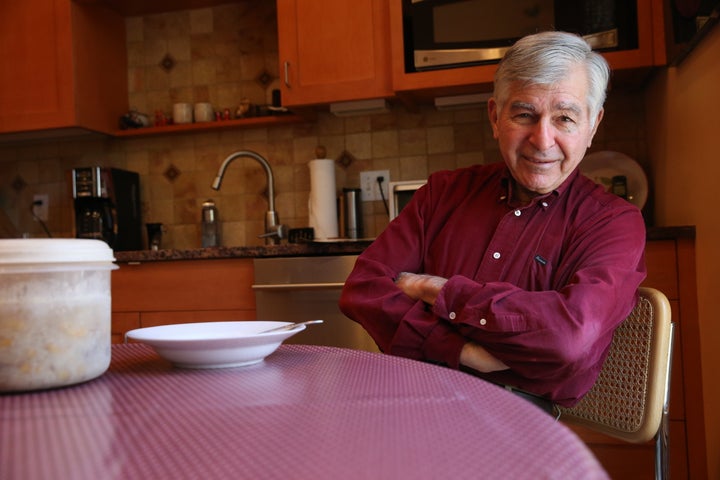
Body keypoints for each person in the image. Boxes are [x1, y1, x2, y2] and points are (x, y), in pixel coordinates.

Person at [339, 31, 647, 409]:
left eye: (564, 118)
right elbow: (363, 289)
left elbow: (568, 340)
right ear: (495, 117)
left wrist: (436, 291)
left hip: (524, 419)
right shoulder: (443, 193)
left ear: (593, 125)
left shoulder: (613, 223)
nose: (543, 140)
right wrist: (465, 351)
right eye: (524, 114)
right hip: (411, 399)